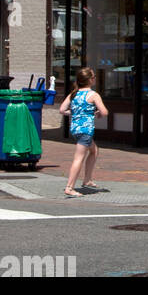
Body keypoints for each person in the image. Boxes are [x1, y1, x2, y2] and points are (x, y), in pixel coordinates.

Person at [63, 66, 109, 197]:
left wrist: (75, 113)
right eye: (93, 77)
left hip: (75, 129)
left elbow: (62, 110)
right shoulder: (93, 95)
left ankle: (87, 179)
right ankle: (69, 187)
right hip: (86, 130)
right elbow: (105, 112)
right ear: (90, 80)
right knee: (78, 158)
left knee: (94, 150)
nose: (95, 79)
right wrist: (97, 113)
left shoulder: (74, 94)